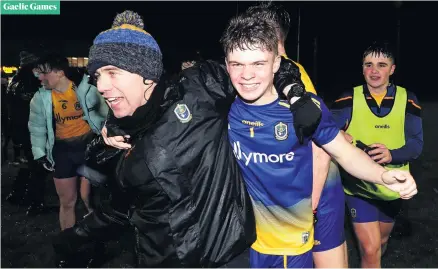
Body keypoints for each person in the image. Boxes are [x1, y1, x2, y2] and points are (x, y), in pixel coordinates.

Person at [50, 9, 319, 267]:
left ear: (146, 73)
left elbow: (261, 67)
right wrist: (76, 236)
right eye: (97, 76)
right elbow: (118, 209)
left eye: (112, 72)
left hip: (231, 256)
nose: (101, 86)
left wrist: (294, 93)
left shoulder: (199, 89)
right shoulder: (118, 145)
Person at [220, 12, 418, 269]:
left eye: (258, 63)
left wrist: (383, 175)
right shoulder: (224, 107)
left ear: (277, 63)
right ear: (226, 64)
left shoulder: (304, 110)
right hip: (246, 243)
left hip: (289, 245)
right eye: (237, 64)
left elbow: (344, 153)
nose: (247, 75)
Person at [242, 2, 348, 267]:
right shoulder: (270, 73)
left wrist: (309, 207)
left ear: (272, 36)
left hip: (316, 192)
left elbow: (321, 148)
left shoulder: (292, 73)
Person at [331, 41, 423, 268]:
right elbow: (327, 133)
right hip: (358, 188)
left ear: (392, 69)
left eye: (381, 65)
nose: (374, 71)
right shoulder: (348, 99)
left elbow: (416, 145)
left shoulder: (407, 99)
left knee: (380, 244)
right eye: (368, 65)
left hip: (393, 189)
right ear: (362, 69)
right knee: (371, 250)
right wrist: (341, 135)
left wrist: (392, 155)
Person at [29, 52, 108, 230]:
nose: (40, 78)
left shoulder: (86, 91)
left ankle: (97, 239)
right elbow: (37, 127)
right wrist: (40, 153)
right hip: (63, 152)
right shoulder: (40, 99)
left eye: (44, 73)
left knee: (88, 197)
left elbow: (105, 115)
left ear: (59, 72)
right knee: (67, 202)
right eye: (38, 74)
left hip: (88, 148)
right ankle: (69, 244)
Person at [4, 51, 50, 216]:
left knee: (28, 164)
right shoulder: (29, 82)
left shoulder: (15, 80)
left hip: (18, 128)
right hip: (30, 129)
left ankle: (17, 194)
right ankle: (35, 203)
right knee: (38, 166)